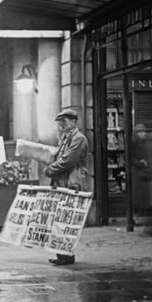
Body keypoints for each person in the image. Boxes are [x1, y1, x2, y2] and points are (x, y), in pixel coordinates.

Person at [43, 109, 89, 265]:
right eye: (60, 122)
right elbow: (60, 157)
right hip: (62, 183)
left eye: (64, 121)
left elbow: (69, 160)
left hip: (72, 184)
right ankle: (61, 254)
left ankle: (67, 256)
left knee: (67, 222)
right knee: (59, 221)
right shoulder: (65, 138)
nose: (61, 125)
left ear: (74, 122)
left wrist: (50, 169)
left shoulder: (79, 139)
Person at [131, 123, 149, 225]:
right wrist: (140, 163)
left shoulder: (143, 144)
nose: (143, 134)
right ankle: (135, 216)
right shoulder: (134, 144)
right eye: (141, 132)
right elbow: (130, 158)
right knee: (136, 195)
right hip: (136, 172)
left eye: (144, 132)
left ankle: (138, 216)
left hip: (142, 172)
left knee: (141, 195)